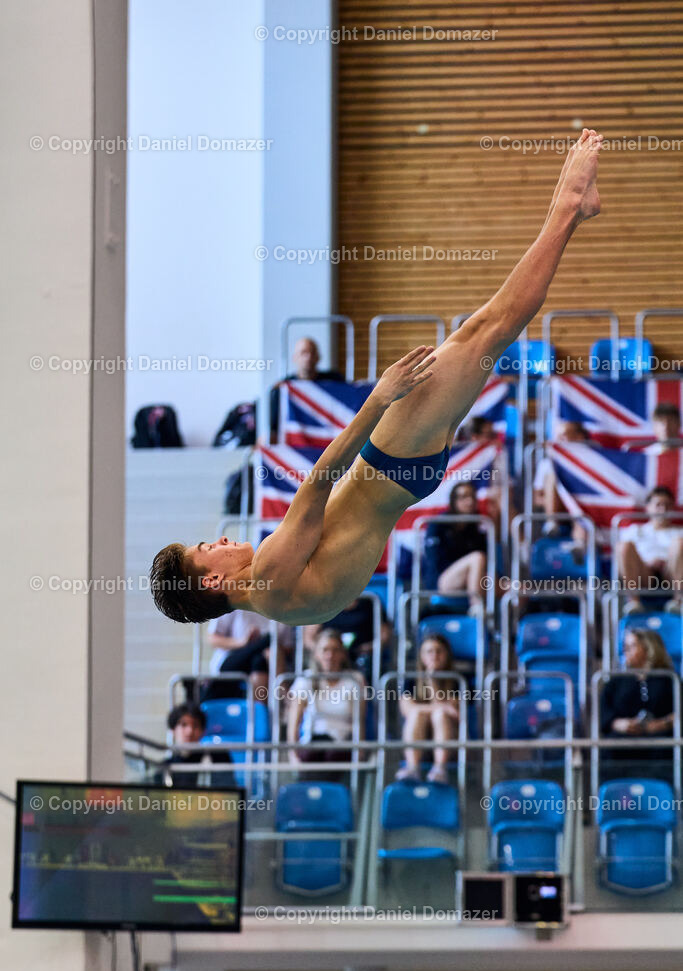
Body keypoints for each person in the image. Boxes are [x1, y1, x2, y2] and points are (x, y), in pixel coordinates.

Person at [151, 129, 605, 628]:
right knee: (488, 331)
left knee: (482, 333)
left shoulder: (278, 604)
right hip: (390, 463)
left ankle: (571, 207)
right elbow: (321, 479)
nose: (217, 541)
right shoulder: (268, 578)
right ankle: (569, 208)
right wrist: (380, 398)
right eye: (205, 550)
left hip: (400, 478)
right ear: (212, 581)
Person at [600, 628, 676, 771]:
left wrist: (662, 724)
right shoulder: (616, 680)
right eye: (625, 646)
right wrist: (619, 723)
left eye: (633, 645)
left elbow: (678, 712)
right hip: (623, 739)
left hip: (660, 739)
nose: (626, 650)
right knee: (611, 747)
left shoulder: (670, 679)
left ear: (649, 648)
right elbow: (603, 712)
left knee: (667, 747)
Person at [286, 629, 364, 767]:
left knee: (333, 755)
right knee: (309, 755)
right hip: (312, 741)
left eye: (335, 650)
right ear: (316, 654)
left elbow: (359, 722)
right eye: (325, 650)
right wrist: (293, 754)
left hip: (341, 742)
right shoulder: (306, 679)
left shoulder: (354, 680)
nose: (330, 655)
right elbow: (294, 721)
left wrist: (360, 751)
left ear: (343, 654)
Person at [397, 633, 460, 784]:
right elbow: (408, 710)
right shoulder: (410, 680)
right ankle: (412, 767)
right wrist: (443, 708)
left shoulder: (458, 680)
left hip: (450, 739)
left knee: (439, 716)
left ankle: (440, 768)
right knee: (418, 715)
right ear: (421, 656)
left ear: (446, 655)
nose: (434, 655)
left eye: (439, 651)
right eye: (429, 651)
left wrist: (432, 682)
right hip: (419, 735)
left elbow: (455, 714)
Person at [422, 481, 488, 614]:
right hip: (442, 582)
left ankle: (511, 629)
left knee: (513, 587)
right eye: (464, 497)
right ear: (454, 501)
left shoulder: (478, 528)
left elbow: (487, 564)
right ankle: (477, 610)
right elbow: (434, 561)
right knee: (477, 558)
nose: (469, 501)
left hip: (473, 580)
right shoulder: (438, 524)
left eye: (472, 497)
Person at [617, 486, 683, 615]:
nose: (663, 509)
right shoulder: (634, 530)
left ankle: (679, 601)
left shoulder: (680, 531)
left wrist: (665, 562)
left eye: (667, 505)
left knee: (679, 543)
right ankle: (633, 601)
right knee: (623, 547)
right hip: (642, 574)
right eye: (658, 505)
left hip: (671, 575)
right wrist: (648, 564)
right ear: (648, 507)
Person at [205, 608, 294, 701]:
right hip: (232, 660)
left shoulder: (281, 607)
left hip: (264, 662)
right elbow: (212, 639)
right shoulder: (233, 602)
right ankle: (282, 691)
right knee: (268, 644)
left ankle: (260, 711)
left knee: (262, 658)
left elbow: (288, 648)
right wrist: (242, 643)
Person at [269, 336, 344, 442]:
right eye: (303, 353)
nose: (308, 357)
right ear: (294, 358)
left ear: (318, 357)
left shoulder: (335, 381)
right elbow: (274, 428)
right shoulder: (283, 388)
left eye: (312, 352)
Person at [303, 595, 393, 679]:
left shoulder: (369, 602)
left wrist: (369, 647)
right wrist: (322, 651)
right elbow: (308, 638)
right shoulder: (324, 604)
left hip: (361, 656)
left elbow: (385, 636)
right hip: (330, 652)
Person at [533, 420, 591, 532]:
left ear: (580, 437)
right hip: (561, 507)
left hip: (585, 507)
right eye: (557, 436)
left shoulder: (594, 462)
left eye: (563, 436)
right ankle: (551, 522)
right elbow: (537, 499)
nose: (558, 441)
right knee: (553, 473)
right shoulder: (546, 463)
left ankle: (579, 542)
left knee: (579, 510)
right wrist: (561, 500)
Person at [159, 702, 231, 788]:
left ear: (203, 731)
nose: (190, 731)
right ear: (173, 730)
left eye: (195, 725)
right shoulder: (165, 766)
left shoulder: (219, 758)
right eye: (183, 725)